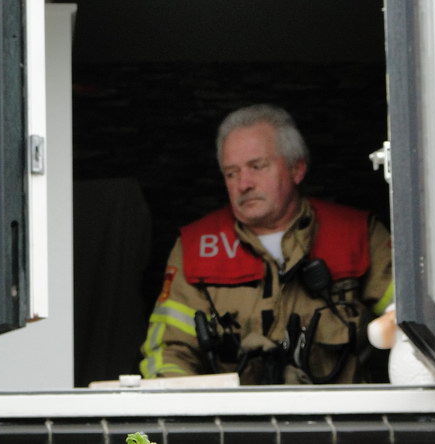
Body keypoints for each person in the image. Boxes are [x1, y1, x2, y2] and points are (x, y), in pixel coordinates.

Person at [139, 104, 393, 385]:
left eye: (257, 167)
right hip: (232, 413)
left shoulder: (358, 234)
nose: (243, 184)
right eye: (231, 173)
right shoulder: (196, 247)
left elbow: (411, 324)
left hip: (339, 411)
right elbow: (169, 352)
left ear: (297, 169)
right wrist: (188, 407)